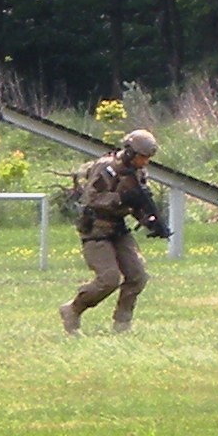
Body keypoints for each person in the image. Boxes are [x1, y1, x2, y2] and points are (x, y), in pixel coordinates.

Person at [62, 128, 167, 334]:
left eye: (148, 158)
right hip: (96, 230)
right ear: (129, 152)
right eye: (142, 157)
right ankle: (72, 310)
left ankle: (122, 324)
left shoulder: (138, 173)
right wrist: (120, 198)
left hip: (118, 229)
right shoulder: (107, 168)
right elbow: (91, 199)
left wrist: (150, 221)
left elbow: (137, 202)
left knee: (137, 276)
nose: (145, 162)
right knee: (109, 279)